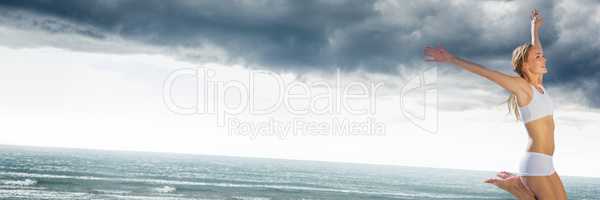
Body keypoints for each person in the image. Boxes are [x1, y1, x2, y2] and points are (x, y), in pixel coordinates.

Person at [424, 9, 567, 199]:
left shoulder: (538, 85)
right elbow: (486, 72)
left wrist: (534, 29)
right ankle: (516, 188)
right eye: (538, 58)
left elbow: (535, 50)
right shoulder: (521, 87)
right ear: (525, 65)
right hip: (535, 163)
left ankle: (517, 187)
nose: (544, 58)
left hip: (547, 161)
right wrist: (451, 59)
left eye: (542, 56)